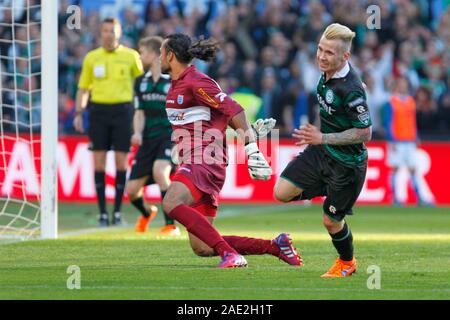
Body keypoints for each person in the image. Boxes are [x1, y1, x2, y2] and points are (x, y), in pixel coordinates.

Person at [159, 33, 302, 268]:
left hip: (203, 159)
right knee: (203, 247)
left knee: (170, 202)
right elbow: (218, 117)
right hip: (202, 160)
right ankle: (275, 246)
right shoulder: (179, 84)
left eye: (161, 53)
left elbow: (234, 108)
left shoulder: (195, 81)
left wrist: (252, 149)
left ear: (170, 55)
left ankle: (231, 254)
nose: (158, 58)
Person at [273, 23, 372, 278]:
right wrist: (316, 135)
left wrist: (322, 136)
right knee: (281, 191)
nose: (321, 56)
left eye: (329, 53)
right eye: (320, 49)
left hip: (347, 165)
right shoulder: (324, 73)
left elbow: (365, 133)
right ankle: (327, 190)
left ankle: (347, 262)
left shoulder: (351, 88)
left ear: (345, 56)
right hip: (323, 151)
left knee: (330, 221)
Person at [73, 18, 143, 226]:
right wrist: (79, 112)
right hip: (98, 112)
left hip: (123, 112)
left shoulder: (131, 56)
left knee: (121, 162)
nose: (108, 34)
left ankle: (118, 213)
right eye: (105, 30)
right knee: (99, 162)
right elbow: (84, 88)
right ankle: (103, 213)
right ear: (100, 33)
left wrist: (141, 111)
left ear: (119, 33)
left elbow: (140, 85)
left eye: (112, 30)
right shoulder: (92, 58)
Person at [127, 36, 180, 236]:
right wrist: (138, 133)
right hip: (147, 139)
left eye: (142, 52)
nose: (140, 56)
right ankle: (147, 212)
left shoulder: (174, 80)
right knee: (132, 191)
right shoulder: (140, 82)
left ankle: (170, 225)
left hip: (168, 136)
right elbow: (139, 112)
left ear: (154, 53)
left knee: (160, 172)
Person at [383, 76, 429, 206]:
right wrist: (391, 139)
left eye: (404, 84)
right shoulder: (391, 102)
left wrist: (416, 135)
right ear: (397, 85)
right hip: (397, 140)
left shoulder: (410, 101)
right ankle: (395, 198)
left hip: (409, 140)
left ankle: (419, 197)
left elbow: (412, 120)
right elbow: (388, 122)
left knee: (413, 169)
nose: (403, 86)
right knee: (395, 169)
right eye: (401, 84)